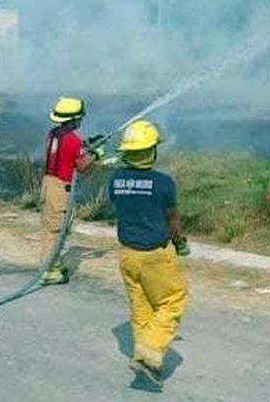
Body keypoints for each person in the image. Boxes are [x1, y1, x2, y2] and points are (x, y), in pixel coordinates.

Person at [108, 120, 189, 388]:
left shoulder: (116, 178)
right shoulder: (164, 183)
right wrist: (180, 242)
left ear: (127, 151)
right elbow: (172, 219)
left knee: (141, 308)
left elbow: (119, 203)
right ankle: (149, 355)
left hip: (128, 255)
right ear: (152, 151)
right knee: (172, 300)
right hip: (156, 255)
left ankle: (144, 360)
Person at [39, 96, 102, 285]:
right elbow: (82, 166)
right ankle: (49, 270)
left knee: (56, 227)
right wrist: (96, 154)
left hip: (48, 184)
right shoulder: (73, 140)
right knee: (56, 230)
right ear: (73, 119)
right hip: (60, 188)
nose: (81, 121)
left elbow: (69, 151)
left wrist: (89, 143)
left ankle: (53, 263)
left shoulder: (53, 133)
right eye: (79, 118)